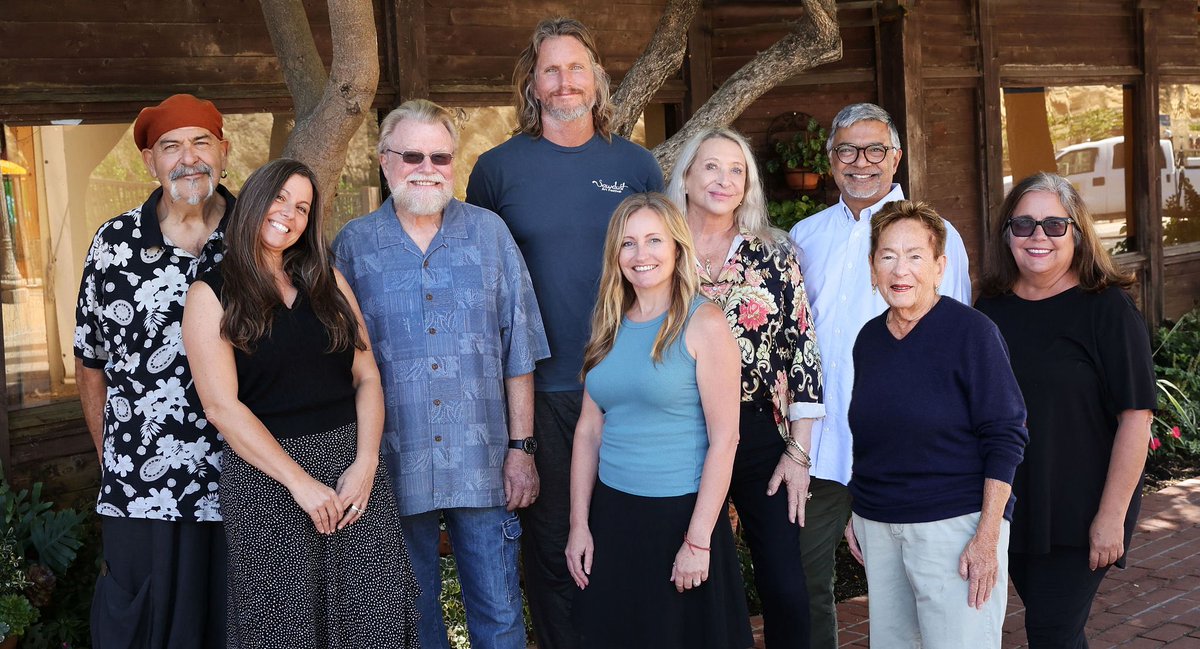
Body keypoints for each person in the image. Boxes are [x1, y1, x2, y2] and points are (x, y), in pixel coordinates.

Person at [466, 16, 664, 649]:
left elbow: (668, 271)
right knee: (554, 552)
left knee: (631, 537)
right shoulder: (496, 171)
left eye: (576, 67)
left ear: (597, 77)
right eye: (550, 69)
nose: (564, 81)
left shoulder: (636, 164)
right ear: (532, 83)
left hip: (628, 382)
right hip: (542, 391)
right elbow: (483, 287)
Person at [333, 99, 550, 649]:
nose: (427, 168)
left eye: (440, 156)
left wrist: (522, 449)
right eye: (412, 156)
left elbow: (519, 351)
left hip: (483, 463)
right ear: (384, 160)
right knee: (414, 621)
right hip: (391, 463)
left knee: (499, 613)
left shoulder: (490, 234)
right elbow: (340, 365)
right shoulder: (353, 246)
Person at [181, 158, 419, 647]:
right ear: (254, 201)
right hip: (268, 481)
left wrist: (366, 464)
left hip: (351, 474)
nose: (289, 214)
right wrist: (301, 484)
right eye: (280, 198)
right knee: (283, 629)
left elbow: (367, 376)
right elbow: (222, 407)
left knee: (374, 620)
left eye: (303, 207)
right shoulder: (210, 294)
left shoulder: (327, 280)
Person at [786, 102, 972, 649]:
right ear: (830, 159)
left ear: (896, 157)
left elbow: (952, 346)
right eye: (847, 150)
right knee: (801, 581)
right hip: (819, 448)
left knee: (915, 589)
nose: (861, 161)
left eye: (875, 150)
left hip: (902, 450)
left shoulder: (935, 236)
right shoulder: (804, 235)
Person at [74, 93, 233, 649]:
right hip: (140, 486)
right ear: (149, 162)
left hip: (245, 478)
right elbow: (90, 362)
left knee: (237, 625)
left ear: (224, 152)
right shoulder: (112, 245)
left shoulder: (259, 234)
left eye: (201, 143)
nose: (188, 158)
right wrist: (111, 458)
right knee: (140, 626)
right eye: (171, 147)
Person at [975, 172, 1155, 649]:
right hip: (1013, 502)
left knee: (1051, 632)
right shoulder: (991, 307)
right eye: (1024, 224)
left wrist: (1111, 517)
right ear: (1007, 234)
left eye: (1055, 225)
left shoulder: (1108, 309)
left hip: (1082, 507)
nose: (1039, 236)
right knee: (1056, 630)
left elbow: (1136, 419)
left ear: (1077, 232)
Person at [564, 192, 751, 649]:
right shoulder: (608, 322)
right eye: (628, 243)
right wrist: (579, 524)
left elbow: (725, 439)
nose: (640, 254)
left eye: (653, 240)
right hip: (613, 516)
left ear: (677, 248)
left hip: (679, 519)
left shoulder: (705, 323)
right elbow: (588, 430)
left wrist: (699, 541)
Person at [843, 200, 1028, 649]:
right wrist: (857, 510)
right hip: (879, 525)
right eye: (887, 256)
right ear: (872, 269)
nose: (899, 270)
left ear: (939, 267)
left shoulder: (973, 334)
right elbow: (871, 434)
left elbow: (1006, 435)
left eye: (915, 256)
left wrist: (988, 535)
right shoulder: (869, 339)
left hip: (955, 527)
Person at [666, 126, 822, 647]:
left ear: (748, 185)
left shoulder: (774, 253)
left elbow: (802, 350)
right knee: (689, 573)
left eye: (737, 170)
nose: (723, 179)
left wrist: (798, 452)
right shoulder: (659, 250)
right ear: (686, 176)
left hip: (757, 432)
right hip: (680, 430)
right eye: (711, 166)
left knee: (785, 583)